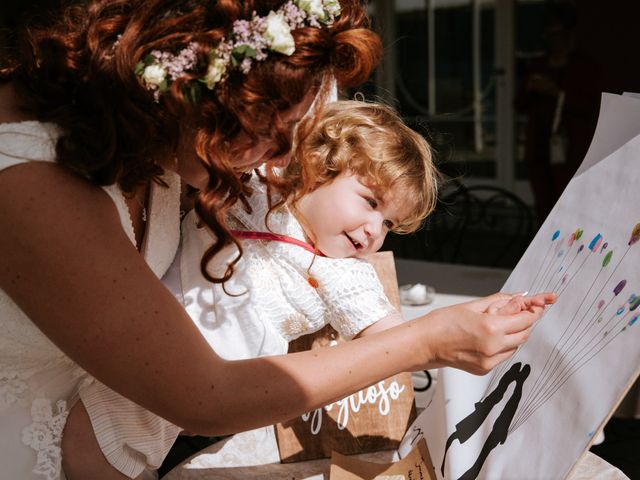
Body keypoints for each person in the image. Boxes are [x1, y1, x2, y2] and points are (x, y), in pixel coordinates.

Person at [0, 1, 549, 479]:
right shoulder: (30, 184)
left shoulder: (160, 139)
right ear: (192, 92)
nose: (286, 160)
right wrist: (426, 342)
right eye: (269, 132)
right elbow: (203, 396)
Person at [515, 1, 601, 224]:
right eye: (549, 34)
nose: (554, 40)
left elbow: (588, 105)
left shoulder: (583, 65)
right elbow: (519, 104)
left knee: (571, 203)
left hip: (571, 146)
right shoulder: (540, 64)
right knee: (544, 204)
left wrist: (556, 92)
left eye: (558, 34)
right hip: (540, 144)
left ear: (569, 34)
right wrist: (530, 87)